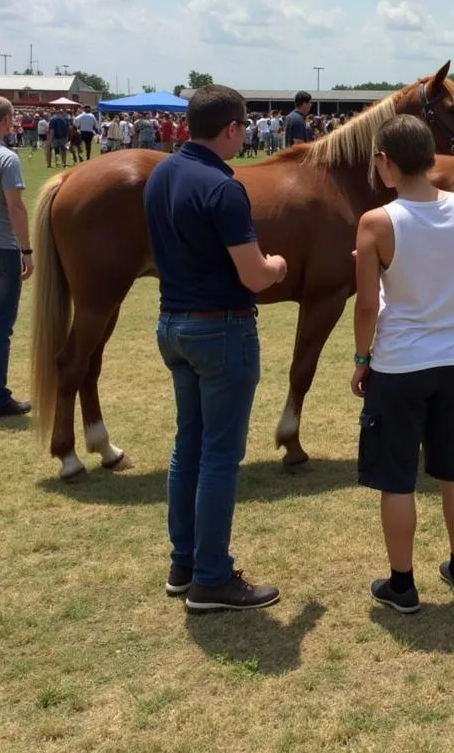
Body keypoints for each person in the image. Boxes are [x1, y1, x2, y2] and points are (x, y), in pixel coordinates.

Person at [145, 84, 288, 612]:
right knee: (221, 455)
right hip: (221, 328)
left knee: (190, 445)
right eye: (244, 127)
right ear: (230, 128)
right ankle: (212, 575)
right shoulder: (225, 188)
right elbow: (252, 274)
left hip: (173, 323)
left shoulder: (162, 173)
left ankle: (184, 561)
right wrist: (277, 267)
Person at [351, 115, 454, 614]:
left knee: (397, 478)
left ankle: (403, 583)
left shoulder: (377, 221)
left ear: (385, 161)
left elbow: (366, 305)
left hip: (401, 361)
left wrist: (362, 357)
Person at [0, 98, 33, 420]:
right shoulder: (5, 157)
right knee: (1, 327)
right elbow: (15, 207)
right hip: (0, 247)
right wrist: (27, 250)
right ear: (5, 120)